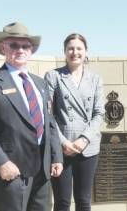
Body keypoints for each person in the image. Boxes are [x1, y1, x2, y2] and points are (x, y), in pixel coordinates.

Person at [0, 22, 63, 211]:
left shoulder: (40, 83)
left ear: (31, 50)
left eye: (25, 46)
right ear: (4, 47)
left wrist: (56, 156)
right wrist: (1, 162)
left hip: (42, 171)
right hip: (11, 172)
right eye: (14, 45)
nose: (20, 50)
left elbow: (49, 123)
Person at [45, 33, 104, 211]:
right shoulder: (53, 76)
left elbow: (99, 113)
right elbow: (48, 115)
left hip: (88, 147)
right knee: (62, 201)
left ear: (85, 52)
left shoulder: (95, 79)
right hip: (62, 147)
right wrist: (63, 142)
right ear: (64, 51)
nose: (74, 52)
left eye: (79, 48)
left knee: (84, 200)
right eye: (70, 48)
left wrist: (84, 139)